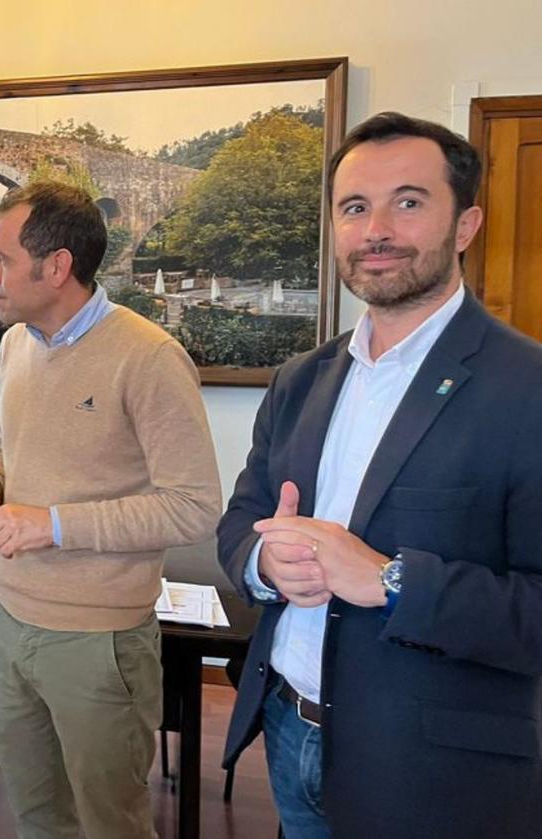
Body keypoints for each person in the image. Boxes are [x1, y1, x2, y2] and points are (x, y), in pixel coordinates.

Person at [218, 112, 542, 839]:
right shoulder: (301, 378)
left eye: (410, 201)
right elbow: (241, 520)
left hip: (435, 773)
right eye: (355, 208)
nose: (377, 230)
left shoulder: (529, 389)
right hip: (289, 731)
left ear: (466, 225)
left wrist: (391, 581)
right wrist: (267, 560)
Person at [0, 181, 221, 839]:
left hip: (98, 642)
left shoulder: (151, 356)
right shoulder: (16, 342)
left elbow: (193, 508)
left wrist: (49, 525)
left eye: (2, 258)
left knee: (112, 826)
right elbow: (1, 442)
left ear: (56, 267)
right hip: (4, 618)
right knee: (38, 817)